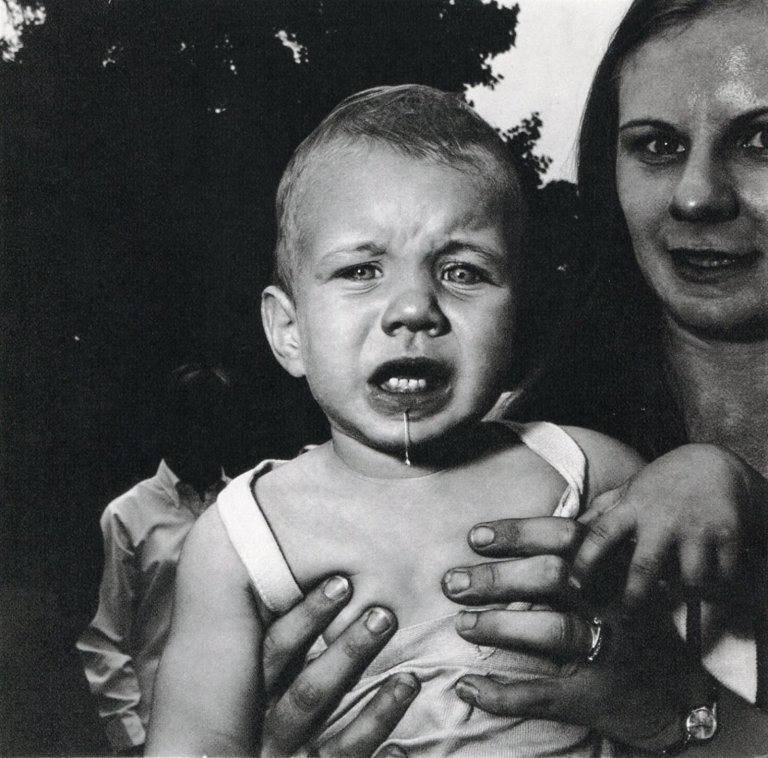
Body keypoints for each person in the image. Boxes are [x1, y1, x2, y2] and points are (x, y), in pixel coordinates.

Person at [238, 1, 768, 755]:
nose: (696, 195)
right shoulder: (538, 459)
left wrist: (685, 717)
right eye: (655, 145)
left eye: (761, 140)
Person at [147, 85, 656, 756]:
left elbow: (713, 627)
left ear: (517, 323)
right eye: (362, 269)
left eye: (463, 271)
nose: (414, 307)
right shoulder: (242, 538)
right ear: (289, 331)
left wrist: (707, 474)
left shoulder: (586, 469)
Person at [76, 362, 233, 753]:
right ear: (171, 425)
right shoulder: (127, 515)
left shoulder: (243, 505)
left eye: (215, 420)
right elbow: (104, 637)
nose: (204, 433)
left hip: (238, 727)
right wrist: (133, 741)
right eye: (192, 419)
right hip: (159, 730)